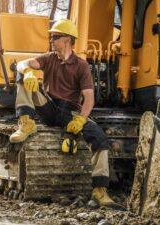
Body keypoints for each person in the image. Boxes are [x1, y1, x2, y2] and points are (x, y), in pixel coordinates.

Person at [9, 19, 119, 208]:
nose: (51, 40)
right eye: (51, 37)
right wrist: (27, 71)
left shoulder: (82, 66)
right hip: (49, 107)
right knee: (24, 77)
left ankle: (100, 191)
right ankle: (26, 122)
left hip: (71, 112)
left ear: (68, 39)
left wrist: (81, 120)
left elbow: (89, 99)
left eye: (55, 37)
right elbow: (21, 64)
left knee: (100, 138)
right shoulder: (49, 58)